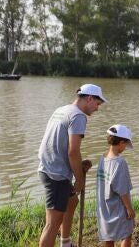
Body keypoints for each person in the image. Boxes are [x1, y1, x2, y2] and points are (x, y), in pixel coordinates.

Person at [38, 84, 106, 247]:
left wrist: (77, 166)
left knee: (72, 201)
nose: (97, 108)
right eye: (97, 103)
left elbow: (59, 145)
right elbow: (73, 151)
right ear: (89, 98)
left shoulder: (62, 109)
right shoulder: (79, 116)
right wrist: (80, 178)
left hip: (48, 165)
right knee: (52, 224)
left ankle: (65, 242)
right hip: (56, 174)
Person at [96, 125, 135, 247]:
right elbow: (123, 190)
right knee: (127, 233)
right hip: (118, 206)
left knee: (109, 236)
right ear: (121, 142)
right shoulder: (120, 162)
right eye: (125, 144)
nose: (125, 148)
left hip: (104, 206)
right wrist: (129, 208)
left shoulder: (103, 158)